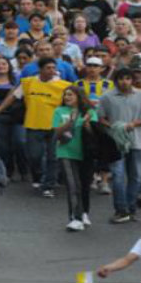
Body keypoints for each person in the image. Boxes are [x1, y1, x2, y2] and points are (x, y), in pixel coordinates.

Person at [0, 57, 71, 197]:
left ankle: (48, 185)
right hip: (34, 124)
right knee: (35, 156)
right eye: (48, 68)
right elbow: (13, 97)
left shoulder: (63, 85)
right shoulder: (28, 83)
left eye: (54, 68)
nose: (52, 71)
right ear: (40, 69)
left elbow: (74, 100)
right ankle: (39, 176)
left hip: (55, 127)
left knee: (53, 157)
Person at [97, 67, 141, 223]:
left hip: (136, 141)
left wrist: (132, 124)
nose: (125, 81)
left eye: (128, 78)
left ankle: (131, 208)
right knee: (118, 175)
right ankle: (121, 210)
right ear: (116, 80)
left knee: (135, 176)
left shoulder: (139, 95)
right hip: (115, 142)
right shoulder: (107, 97)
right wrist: (113, 127)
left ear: (132, 79)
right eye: (121, 78)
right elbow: (100, 117)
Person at [52, 86, 98, 231]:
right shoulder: (59, 111)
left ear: (79, 97)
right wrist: (69, 122)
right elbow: (56, 133)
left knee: (84, 184)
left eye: (70, 95)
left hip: (85, 153)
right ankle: (75, 218)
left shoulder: (90, 112)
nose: (67, 97)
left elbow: (95, 133)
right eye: (65, 95)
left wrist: (86, 123)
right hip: (66, 152)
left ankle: (84, 212)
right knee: (73, 185)